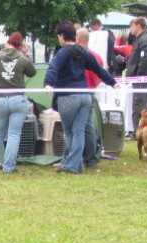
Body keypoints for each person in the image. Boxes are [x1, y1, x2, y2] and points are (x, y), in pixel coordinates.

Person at [44, 20, 118, 174]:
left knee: (70, 132)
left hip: (68, 97)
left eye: (59, 36)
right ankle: (77, 165)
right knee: (79, 132)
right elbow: (99, 69)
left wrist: (48, 83)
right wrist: (112, 82)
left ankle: (71, 165)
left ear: (63, 36)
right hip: (86, 96)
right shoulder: (83, 52)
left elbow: (53, 67)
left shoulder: (63, 52)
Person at [0, 32, 36, 173]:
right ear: (19, 45)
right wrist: (25, 54)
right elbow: (32, 72)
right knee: (14, 134)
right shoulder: (22, 59)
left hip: (0, 99)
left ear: (7, 42)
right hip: (18, 99)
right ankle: (9, 166)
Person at [76, 28, 104, 167]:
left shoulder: (76, 55)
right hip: (90, 92)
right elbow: (100, 78)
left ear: (78, 39)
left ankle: (86, 157)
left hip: (77, 93)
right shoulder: (97, 57)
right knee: (87, 126)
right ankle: (90, 157)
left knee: (81, 127)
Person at [126, 18, 147, 136]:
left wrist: (139, 75)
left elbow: (145, 58)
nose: (131, 29)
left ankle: (139, 132)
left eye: (132, 26)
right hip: (138, 79)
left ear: (138, 25)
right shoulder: (140, 39)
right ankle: (137, 130)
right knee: (137, 105)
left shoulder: (144, 39)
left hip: (141, 79)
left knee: (139, 105)